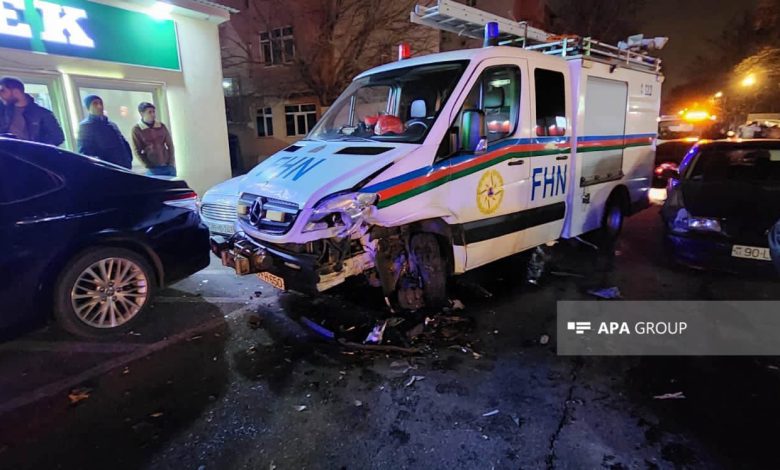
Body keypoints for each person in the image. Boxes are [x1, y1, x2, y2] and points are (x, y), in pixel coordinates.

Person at [0, 76, 65, 146]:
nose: (0, 94)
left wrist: (36, 147)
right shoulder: (3, 112)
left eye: (3, 91)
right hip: (7, 154)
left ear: (16, 92)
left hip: (29, 155)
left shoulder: (43, 114)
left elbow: (58, 138)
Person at [77, 95, 132, 169]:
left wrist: (129, 159)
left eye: (100, 103)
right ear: (88, 107)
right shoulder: (86, 126)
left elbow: (123, 143)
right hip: (108, 169)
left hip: (124, 167)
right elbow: (85, 151)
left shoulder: (112, 124)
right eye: (95, 103)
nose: (99, 106)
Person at [131, 102, 176, 176]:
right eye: (149, 112)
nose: (153, 115)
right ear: (142, 113)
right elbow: (137, 150)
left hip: (167, 165)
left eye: (153, 112)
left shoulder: (161, 126)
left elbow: (170, 144)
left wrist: (171, 161)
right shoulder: (137, 129)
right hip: (152, 168)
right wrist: (147, 164)